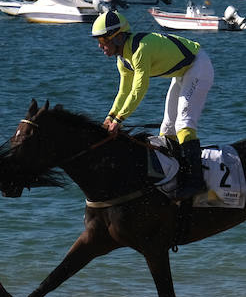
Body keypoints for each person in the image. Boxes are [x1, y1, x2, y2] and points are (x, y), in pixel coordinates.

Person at [91, 10, 213, 201]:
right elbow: (124, 91)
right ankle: (178, 176)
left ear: (118, 37)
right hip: (182, 73)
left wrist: (120, 120)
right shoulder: (123, 60)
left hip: (198, 66)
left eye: (103, 41)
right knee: (167, 129)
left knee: (184, 125)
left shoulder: (140, 50)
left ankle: (195, 182)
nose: (101, 47)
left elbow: (139, 89)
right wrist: (110, 117)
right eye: (99, 42)